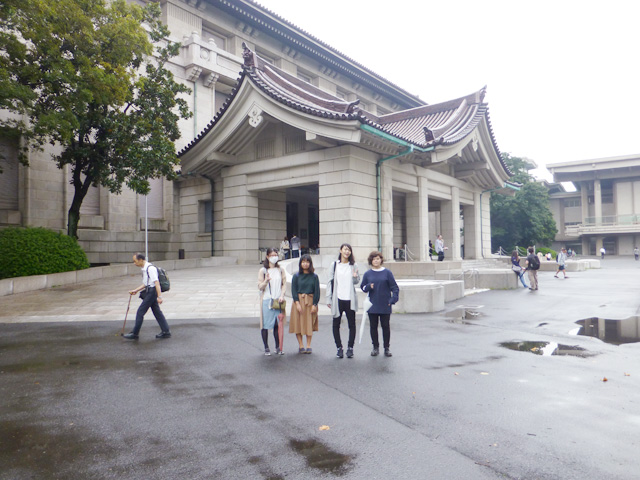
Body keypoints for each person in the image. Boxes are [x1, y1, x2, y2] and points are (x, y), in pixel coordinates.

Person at [361, 251, 399, 357]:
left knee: (385, 326)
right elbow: (363, 287)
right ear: (371, 261)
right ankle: (375, 347)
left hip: (385, 304)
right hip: (372, 305)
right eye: (374, 259)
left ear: (381, 260)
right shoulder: (368, 274)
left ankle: (386, 348)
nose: (376, 261)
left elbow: (395, 288)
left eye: (378, 258)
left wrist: (392, 300)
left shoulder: (387, 273)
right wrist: (369, 286)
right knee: (373, 327)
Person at [123, 253, 171, 339]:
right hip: (150, 290)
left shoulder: (150, 268)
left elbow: (157, 283)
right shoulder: (145, 269)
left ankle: (135, 333)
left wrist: (159, 297)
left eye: (135, 261)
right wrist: (136, 290)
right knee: (157, 312)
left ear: (141, 260)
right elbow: (146, 283)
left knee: (140, 312)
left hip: (152, 292)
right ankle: (166, 331)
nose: (134, 263)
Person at [326, 243, 360, 359]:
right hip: (338, 298)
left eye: (349, 250)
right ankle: (339, 348)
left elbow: (356, 282)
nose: (347, 252)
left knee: (352, 324)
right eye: (345, 249)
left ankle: (350, 348)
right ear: (340, 250)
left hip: (350, 299)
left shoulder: (353, 265)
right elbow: (330, 281)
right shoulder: (334, 265)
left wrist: (355, 276)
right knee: (336, 323)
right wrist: (328, 298)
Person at [258, 247, 286, 356]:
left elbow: (284, 285)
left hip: (278, 300)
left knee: (277, 324)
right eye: (272, 255)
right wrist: (266, 281)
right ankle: (266, 347)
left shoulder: (280, 270)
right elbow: (260, 286)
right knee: (265, 325)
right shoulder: (263, 271)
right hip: (267, 300)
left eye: (276, 255)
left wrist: (282, 295)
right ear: (267, 257)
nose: (274, 257)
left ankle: (278, 347)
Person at [289, 254, 320, 354]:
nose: (305, 264)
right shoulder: (296, 276)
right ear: (300, 263)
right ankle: (301, 345)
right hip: (298, 301)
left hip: (310, 301)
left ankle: (308, 345)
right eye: (303, 262)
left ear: (310, 264)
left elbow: (317, 291)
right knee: (298, 324)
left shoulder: (314, 277)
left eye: (307, 262)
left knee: (309, 323)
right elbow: (293, 291)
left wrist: (315, 304)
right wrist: (297, 303)